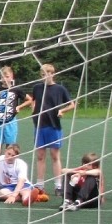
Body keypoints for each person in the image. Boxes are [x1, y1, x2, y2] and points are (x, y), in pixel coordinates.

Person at [31, 64, 76, 196]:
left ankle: (58, 186)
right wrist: (33, 110)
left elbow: (72, 104)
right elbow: (33, 101)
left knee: (55, 156)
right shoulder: (37, 88)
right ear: (41, 75)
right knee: (40, 156)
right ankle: (40, 185)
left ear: (53, 74)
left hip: (53, 125)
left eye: (49, 73)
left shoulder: (59, 89)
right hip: (39, 126)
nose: (46, 76)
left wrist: (62, 110)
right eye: (44, 74)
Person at [0, 66, 31, 157]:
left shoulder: (16, 90)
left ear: (12, 77)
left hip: (10, 122)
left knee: (10, 149)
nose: (5, 79)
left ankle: (8, 168)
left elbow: (29, 100)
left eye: (7, 76)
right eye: (2, 77)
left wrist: (19, 107)